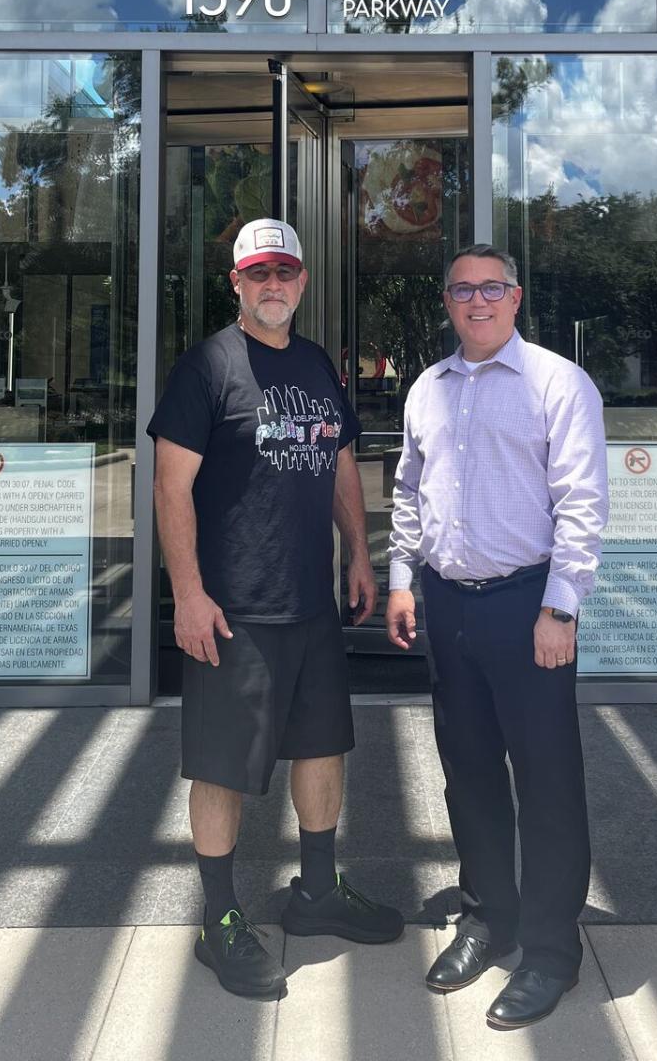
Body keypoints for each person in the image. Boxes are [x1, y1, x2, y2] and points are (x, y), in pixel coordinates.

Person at [150, 217, 403, 1001]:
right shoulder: (207, 367)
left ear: (300, 281)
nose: (273, 285)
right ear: (236, 282)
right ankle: (218, 919)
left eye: (284, 272)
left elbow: (337, 463)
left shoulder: (317, 363)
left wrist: (359, 553)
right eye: (258, 273)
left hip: (311, 604)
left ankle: (317, 891)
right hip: (234, 611)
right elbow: (170, 487)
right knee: (222, 767)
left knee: (323, 747)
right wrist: (188, 595)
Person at [386, 243, 608, 1032]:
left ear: (516, 299)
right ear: (446, 302)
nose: (477, 301)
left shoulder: (557, 382)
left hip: (528, 608)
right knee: (468, 772)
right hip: (447, 605)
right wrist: (402, 580)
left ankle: (551, 949)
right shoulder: (426, 390)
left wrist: (561, 608)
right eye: (461, 289)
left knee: (547, 782)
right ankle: (489, 918)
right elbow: (408, 491)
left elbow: (582, 503)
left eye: (492, 288)